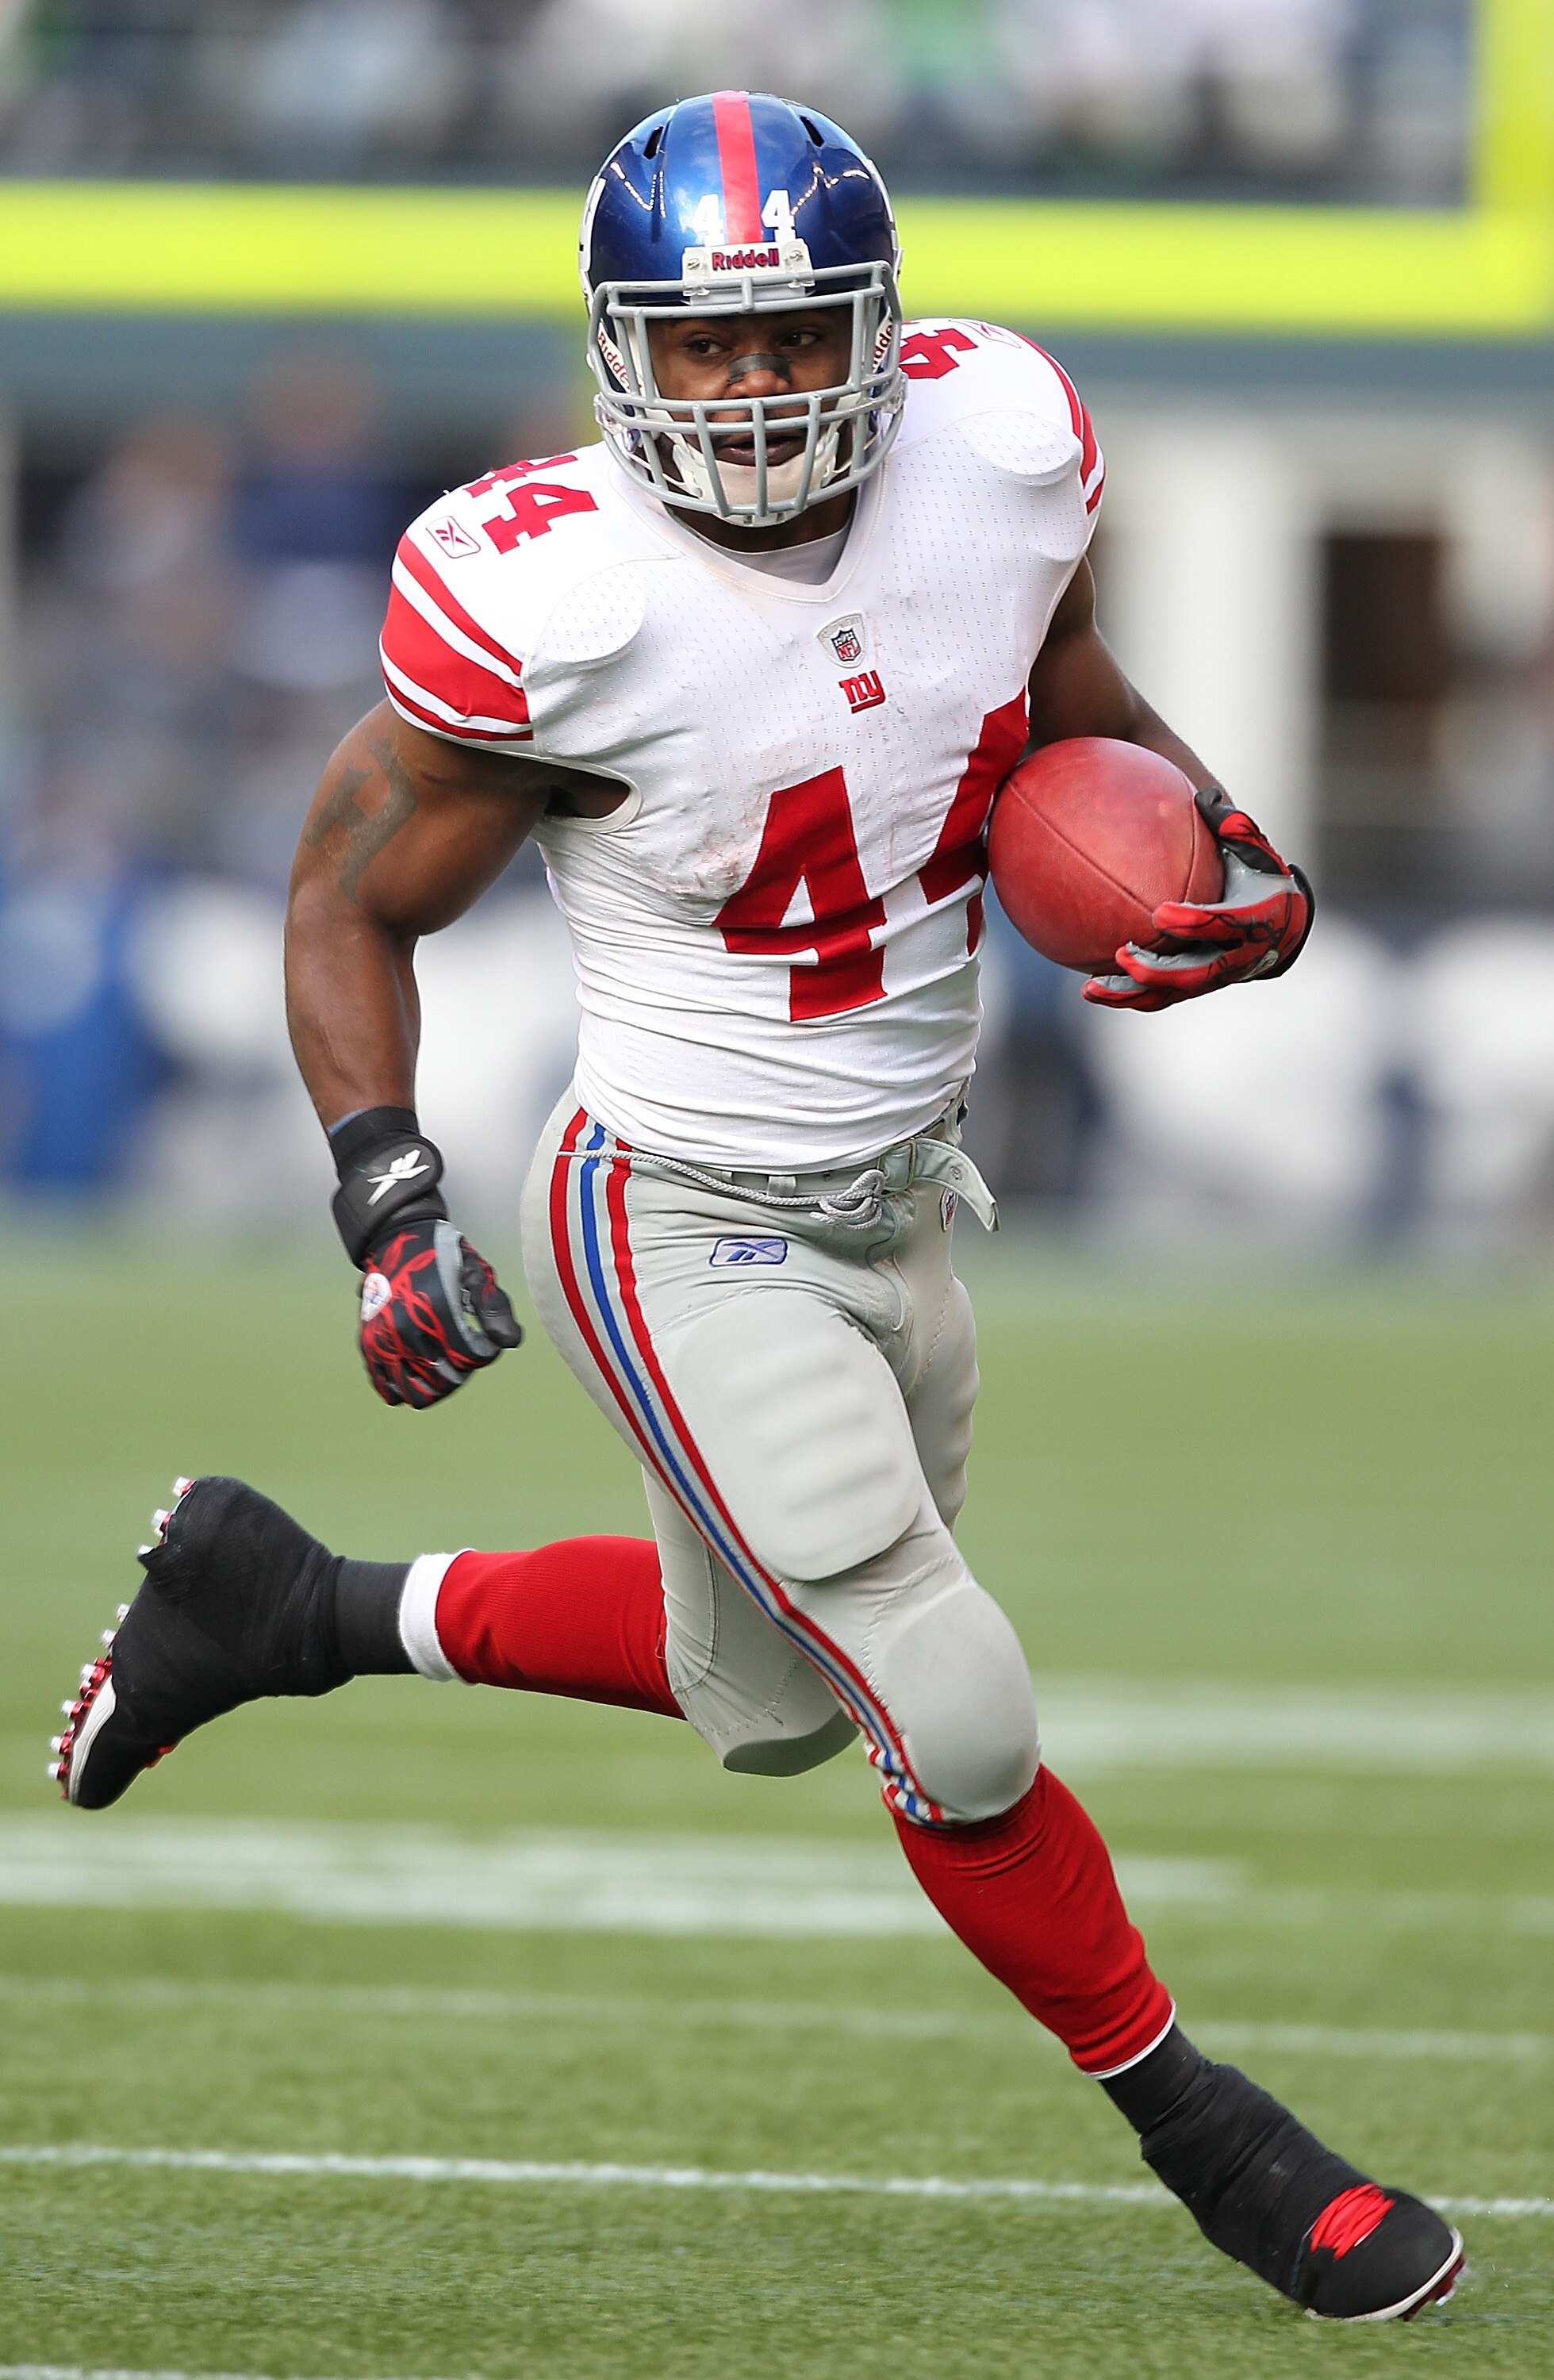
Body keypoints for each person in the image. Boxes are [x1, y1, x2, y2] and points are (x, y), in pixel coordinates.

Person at [52, 92, 1460, 2324]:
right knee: (951, 1701)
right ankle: (1221, 2142)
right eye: (695, 352)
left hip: (908, 1199)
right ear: (618, 360)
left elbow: (1049, 694)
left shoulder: (996, 449)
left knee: (770, 1697)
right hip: (681, 1209)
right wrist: (386, 1189)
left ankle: (287, 1602)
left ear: (881, 334)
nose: (752, 389)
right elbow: (345, 887)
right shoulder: (554, 597)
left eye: (791, 336)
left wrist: (1208, 837)